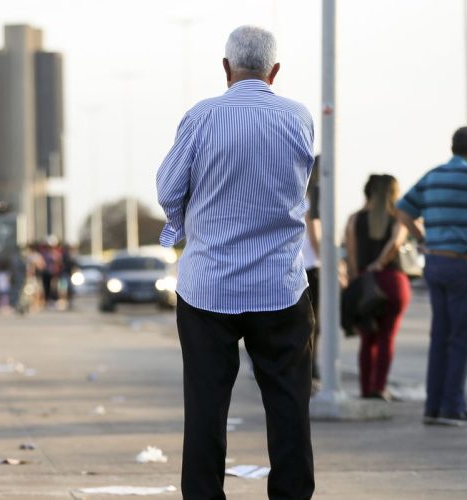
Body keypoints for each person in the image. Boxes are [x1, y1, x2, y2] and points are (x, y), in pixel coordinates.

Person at [157, 25, 315, 500]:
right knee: (289, 404)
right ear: (275, 71)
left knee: (206, 406)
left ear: (225, 68)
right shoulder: (298, 118)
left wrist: (182, 226)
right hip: (280, 285)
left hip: (208, 288)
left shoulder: (202, 117)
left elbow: (168, 189)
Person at [397, 126, 467, 427]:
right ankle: (453, 407)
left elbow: (402, 210)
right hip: (463, 265)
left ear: (452, 147)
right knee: (461, 340)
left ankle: (434, 406)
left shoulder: (433, 176)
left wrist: (422, 239)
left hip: (434, 263)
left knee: (440, 338)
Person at [345, 174, 411, 401]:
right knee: (387, 337)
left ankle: (366, 390)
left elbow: (352, 257)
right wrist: (381, 262)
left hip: (365, 283)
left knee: (367, 339)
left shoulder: (355, 219)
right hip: (393, 282)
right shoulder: (399, 218)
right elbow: (397, 242)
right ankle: (379, 388)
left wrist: (359, 278)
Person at [303, 156, 322, 386]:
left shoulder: (299, 198)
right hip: (312, 267)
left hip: (302, 266)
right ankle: (311, 368)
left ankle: (311, 366)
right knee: (313, 324)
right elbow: (315, 236)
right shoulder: (312, 201)